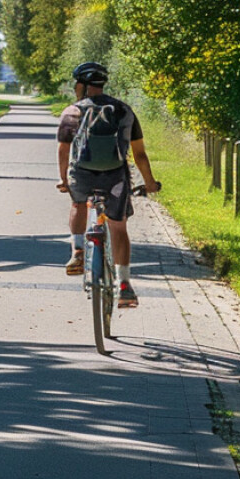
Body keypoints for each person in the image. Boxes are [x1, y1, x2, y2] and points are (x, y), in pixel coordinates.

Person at [56, 61, 160, 308]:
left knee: (78, 203)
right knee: (118, 227)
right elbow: (139, 154)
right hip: (115, 177)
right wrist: (150, 183)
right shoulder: (124, 111)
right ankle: (124, 286)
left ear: (81, 85)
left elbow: (64, 148)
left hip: (81, 174)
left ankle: (78, 252)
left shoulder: (72, 111)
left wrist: (63, 180)